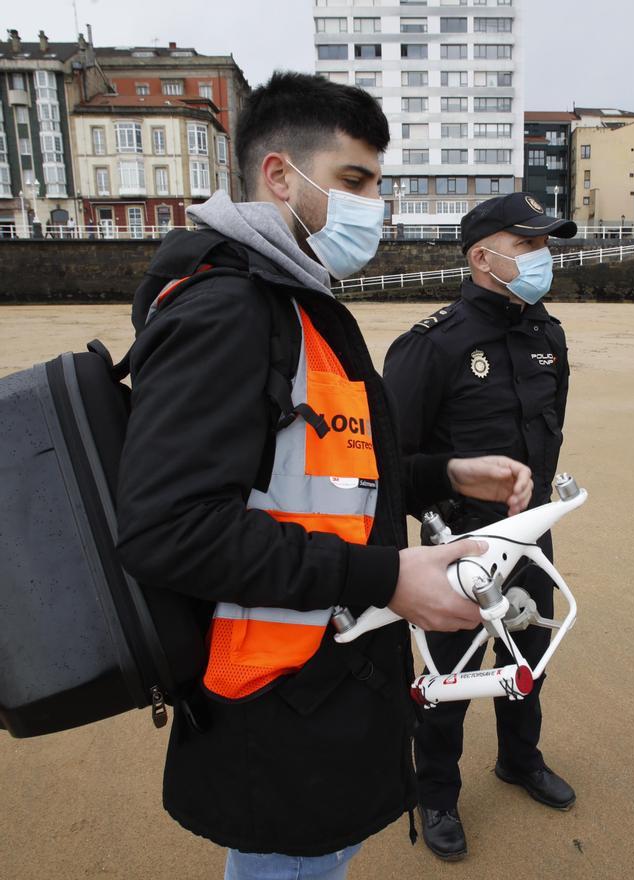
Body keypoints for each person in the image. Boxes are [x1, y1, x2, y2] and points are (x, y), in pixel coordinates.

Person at [115, 72, 533, 880]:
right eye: (353, 181)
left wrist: (445, 471)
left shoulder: (293, 302)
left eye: (378, 183)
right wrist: (385, 578)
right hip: (276, 705)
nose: (376, 204)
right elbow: (168, 529)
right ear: (280, 175)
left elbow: (330, 476)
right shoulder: (227, 311)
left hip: (325, 688)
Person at [383, 193, 578, 861]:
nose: (540, 257)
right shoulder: (429, 348)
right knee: (447, 683)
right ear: (481, 257)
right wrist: (453, 487)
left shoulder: (548, 336)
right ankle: (435, 794)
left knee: (529, 661)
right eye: (526, 246)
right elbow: (388, 470)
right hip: (456, 549)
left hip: (532, 537)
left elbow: (546, 446)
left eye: (544, 245)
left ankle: (520, 760)